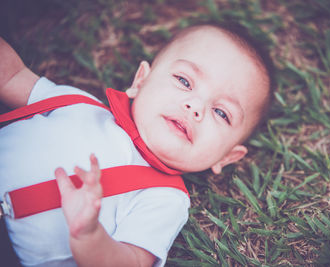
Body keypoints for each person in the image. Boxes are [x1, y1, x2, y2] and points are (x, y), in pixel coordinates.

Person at [0, 22, 273, 267]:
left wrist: (90, 235)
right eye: (184, 81)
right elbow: (12, 77)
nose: (195, 107)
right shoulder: (78, 104)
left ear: (226, 157)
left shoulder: (166, 199)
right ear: (140, 81)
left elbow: (130, 261)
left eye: (222, 113)